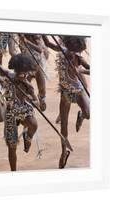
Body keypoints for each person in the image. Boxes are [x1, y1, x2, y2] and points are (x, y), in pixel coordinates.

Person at [0, 47, 39, 171]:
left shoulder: (28, 83)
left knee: (34, 125)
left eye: (25, 73)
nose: (23, 75)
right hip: (11, 113)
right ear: (16, 71)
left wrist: (30, 91)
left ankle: (28, 138)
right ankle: (13, 171)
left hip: (24, 110)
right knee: (12, 146)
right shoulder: (9, 76)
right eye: (20, 73)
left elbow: (36, 102)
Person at [43, 35, 90, 168]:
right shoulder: (61, 50)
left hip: (77, 90)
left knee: (88, 113)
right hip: (65, 94)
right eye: (69, 49)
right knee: (63, 127)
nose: (71, 52)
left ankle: (81, 115)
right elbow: (47, 43)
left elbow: (92, 69)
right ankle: (64, 152)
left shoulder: (78, 58)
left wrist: (81, 70)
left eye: (73, 50)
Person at [18, 34, 48, 111]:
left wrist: (27, 41)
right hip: (27, 66)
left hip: (37, 65)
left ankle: (41, 98)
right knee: (26, 87)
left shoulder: (36, 36)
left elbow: (40, 49)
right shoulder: (20, 37)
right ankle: (27, 104)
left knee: (42, 90)